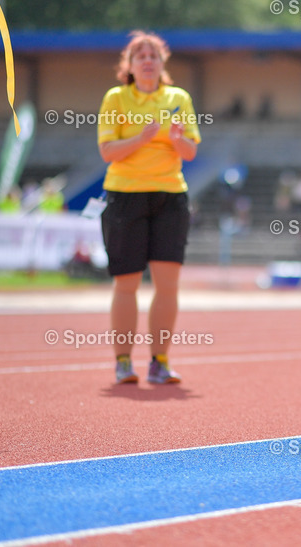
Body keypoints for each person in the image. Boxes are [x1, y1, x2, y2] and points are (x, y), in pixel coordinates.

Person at [97, 30, 200, 385]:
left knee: (167, 285)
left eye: (153, 55)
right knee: (127, 283)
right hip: (126, 195)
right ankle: (123, 362)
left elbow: (190, 152)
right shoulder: (116, 98)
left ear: (162, 63)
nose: (147, 61)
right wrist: (142, 138)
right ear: (129, 64)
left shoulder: (178, 98)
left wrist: (177, 139)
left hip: (170, 196)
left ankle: (159, 362)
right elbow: (107, 152)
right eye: (140, 56)